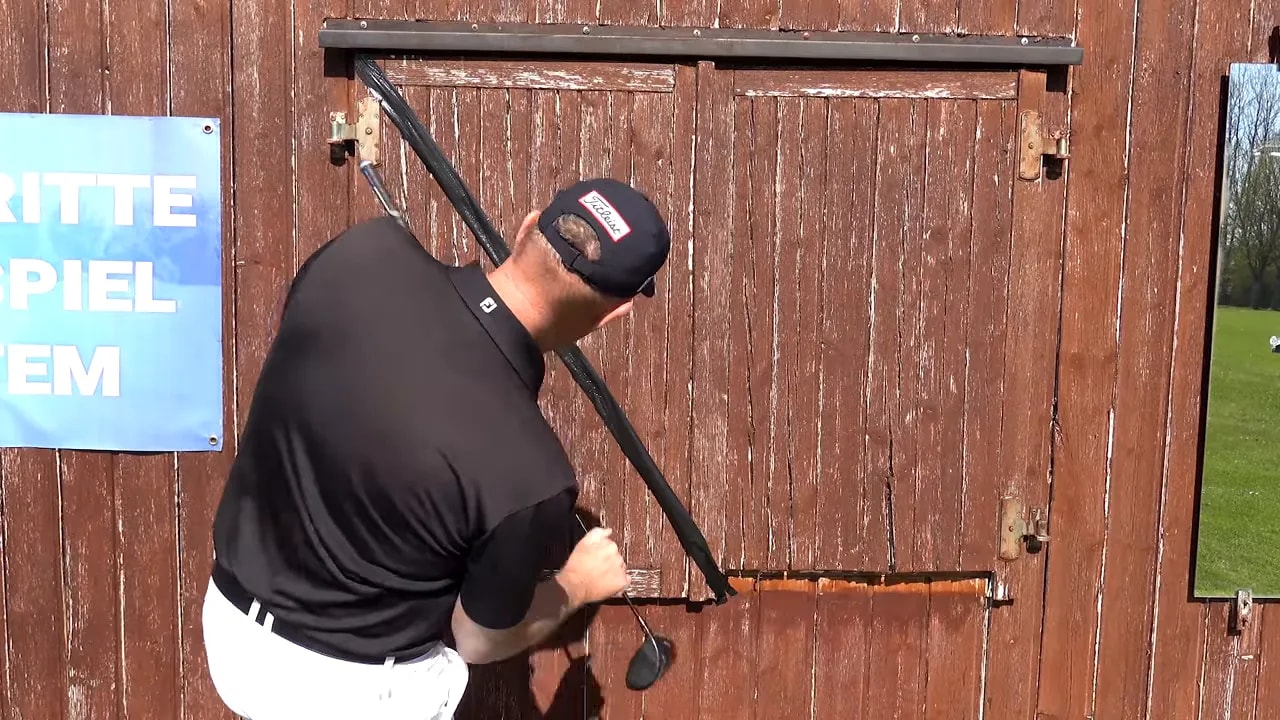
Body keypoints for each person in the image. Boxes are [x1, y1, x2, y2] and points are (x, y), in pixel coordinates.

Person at [201, 177, 673, 719]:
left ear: (525, 228)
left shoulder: (360, 254)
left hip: (232, 629)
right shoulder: (530, 473)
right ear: (613, 315)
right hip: (351, 694)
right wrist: (575, 586)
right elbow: (478, 642)